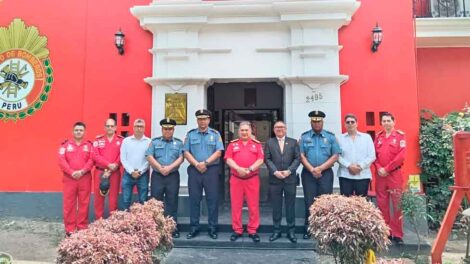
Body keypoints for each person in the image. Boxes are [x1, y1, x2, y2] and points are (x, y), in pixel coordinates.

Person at [299, 110, 341, 239]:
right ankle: (310, 227)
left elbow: (335, 155)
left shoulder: (330, 137)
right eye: (314, 122)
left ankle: (324, 229)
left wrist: (321, 168)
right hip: (308, 173)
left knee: (325, 201)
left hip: (326, 173)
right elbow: (301, 156)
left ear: (322, 122)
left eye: (319, 122)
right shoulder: (304, 137)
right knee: (309, 201)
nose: (316, 124)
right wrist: (312, 169)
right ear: (311, 122)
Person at [183, 109, 224, 239]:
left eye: (205, 119)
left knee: (212, 200)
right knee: (194, 200)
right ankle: (194, 227)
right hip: (194, 171)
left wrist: (205, 163)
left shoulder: (215, 134)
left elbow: (219, 152)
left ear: (209, 120)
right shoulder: (190, 134)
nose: (202, 121)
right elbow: (186, 152)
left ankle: (212, 228)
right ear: (197, 120)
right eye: (200, 119)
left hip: (211, 171)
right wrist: (196, 164)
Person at [224, 122, 264, 242]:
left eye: (247, 130)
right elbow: (228, 158)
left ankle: (252, 230)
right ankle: (237, 230)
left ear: (250, 131)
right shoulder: (232, 144)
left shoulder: (257, 144)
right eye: (242, 130)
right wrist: (238, 168)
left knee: (253, 206)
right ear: (238, 131)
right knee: (236, 206)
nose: (244, 132)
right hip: (236, 179)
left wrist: (250, 169)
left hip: (252, 179)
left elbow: (260, 159)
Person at [146, 118, 184, 238]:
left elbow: (181, 157)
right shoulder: (155, 142)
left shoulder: (178, 143)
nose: (168, 131)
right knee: (156, 203)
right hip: (157, 176)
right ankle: (156, 228)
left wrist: (169, 168)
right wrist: (159, 167)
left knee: (172, 202)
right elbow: (149, 155)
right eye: (165, 129)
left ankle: (172, 228)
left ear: (173, 130)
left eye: (170, 129)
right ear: (162, 129)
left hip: (172, 176)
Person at [264, 121, 300, 243]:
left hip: (290, 179)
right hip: (275, 179)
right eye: (277, 127)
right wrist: (275, 172)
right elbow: (267, 159)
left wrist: (289, 171)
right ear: (274, 129)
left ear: (286, 129)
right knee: (276, 206)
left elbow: (297, 158)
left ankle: (291, 231)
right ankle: (276, 230)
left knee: (290, 206)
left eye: (282, 127)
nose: (279, 129)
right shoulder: (269, 142)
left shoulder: (293, 142)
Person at [374, 112, 406, 245]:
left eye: (388, 121)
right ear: (381, 123)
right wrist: (379, 168)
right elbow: (373, 154)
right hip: (380, 175)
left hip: (394, 174)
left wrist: (386, 169)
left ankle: (397, 233)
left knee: (397, 204)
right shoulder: (378, 137)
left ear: (394, 122)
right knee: (382, 204)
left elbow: (401, 156)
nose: (386, 123)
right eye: (384, 121)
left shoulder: (400, 136)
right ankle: (385, 232)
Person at [58, 122, 94, 236]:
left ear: (84, 132)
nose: (79, 132)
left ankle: (82, 227)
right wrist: (71, 172)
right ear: (73, 132)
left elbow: (92, 160)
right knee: (69, 204)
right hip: (69, 179)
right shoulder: (65, 145)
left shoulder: (89, 146)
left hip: (85, 178)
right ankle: (70, 229)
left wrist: (82, 171)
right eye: (76, 130)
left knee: (84, 203)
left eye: (81, 130)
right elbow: (61, 160)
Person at [337, 114, 376, 197]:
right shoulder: (339, 138)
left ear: (357, 124)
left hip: (363, 175)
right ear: (345, 124)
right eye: (348, 122)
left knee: (361, 204)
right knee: (345, 204)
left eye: (352, 122)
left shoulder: (366, 137)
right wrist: (349, 166)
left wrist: (360, 166)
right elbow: (337, 156)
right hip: (345, 175)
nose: (350, 124)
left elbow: (372, 155)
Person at [92, 118, 123, 219]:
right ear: (104, 127)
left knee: (113, 199)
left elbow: (122, 155)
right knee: (98, 198)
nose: (110, 128)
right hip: (100, 172)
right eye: (108, 126)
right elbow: (95, 155)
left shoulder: (121, 140)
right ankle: (99, 222)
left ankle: (112, 223)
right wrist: (108, 164)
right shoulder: (98, 140)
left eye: (112, 126)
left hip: (115, 172)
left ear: (115, 127)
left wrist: (116, 164)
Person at [120, 118, 151, 210]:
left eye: (141, 127)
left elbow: (149, 159)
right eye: (137, 126)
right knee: (126, 200)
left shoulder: (149, 142)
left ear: (144, 128)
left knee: (143, 200)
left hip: (143, 174)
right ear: (133, 128)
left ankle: (143, 223)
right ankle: (126, 223)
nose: (139, 128)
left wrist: (140, 171)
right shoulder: (126, 141)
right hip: (128, 174)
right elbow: (123, 158)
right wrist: (131, 171)